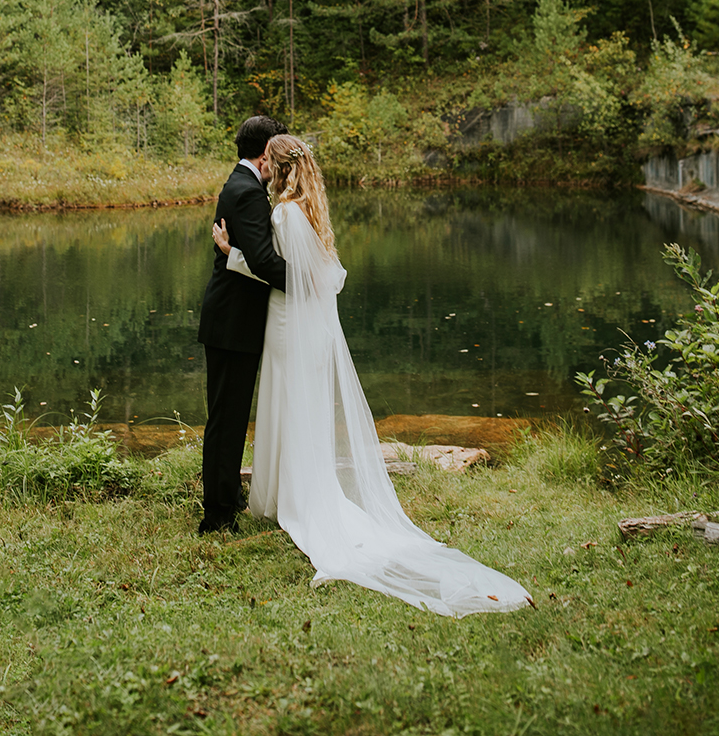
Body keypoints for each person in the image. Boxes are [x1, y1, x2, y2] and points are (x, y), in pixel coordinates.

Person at [212, 133, 532, 617]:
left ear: (274, 167)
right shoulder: (312, 211)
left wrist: (232, 253)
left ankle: (288, 499)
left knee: (286, 404)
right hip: (307, 324)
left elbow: (281, 272)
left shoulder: (282, 213)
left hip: (288, 322)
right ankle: (291, 492)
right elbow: (326, 276)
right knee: (299, 407)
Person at [197, 114, 288, 535]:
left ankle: (227, 495)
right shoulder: (247, 191)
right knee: (227, 419)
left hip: (233, 322)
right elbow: (266, 263)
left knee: (229, 416)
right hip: (233, 324)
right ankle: (216, 514)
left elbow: (250, 256)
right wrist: (310, 282)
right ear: (266, 151)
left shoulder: (244, 186)